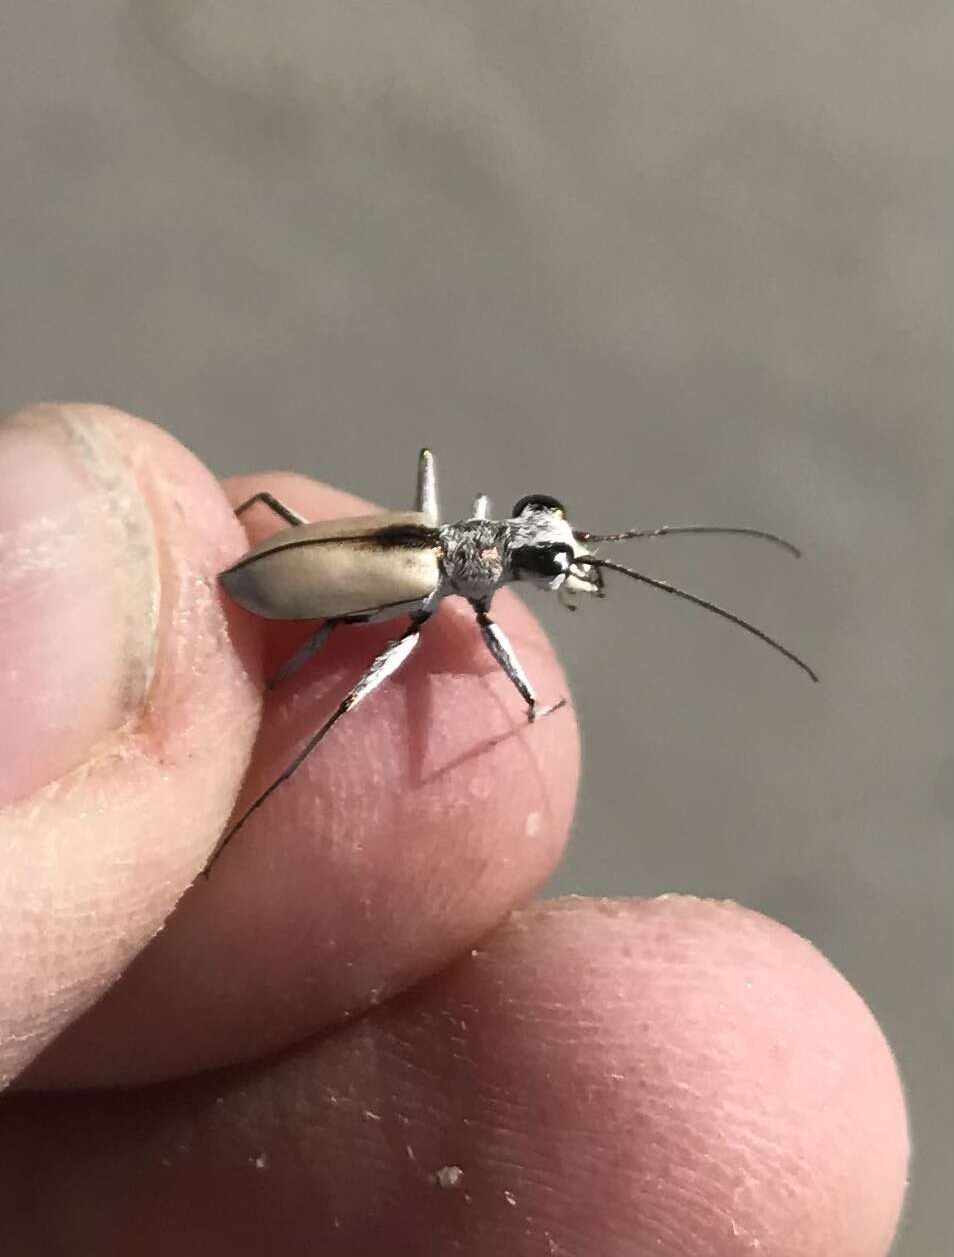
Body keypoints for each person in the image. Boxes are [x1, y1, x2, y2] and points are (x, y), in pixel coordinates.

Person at [0, 404, 908, 1254]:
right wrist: (521, 694)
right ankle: (260, 809)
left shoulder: (448, 541)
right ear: (499, 548)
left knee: (284, 535)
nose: (547, 560)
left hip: (373, 554)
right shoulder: (445, 580)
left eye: (542, 555)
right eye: (539, 549)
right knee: (350, 698)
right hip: (343, 575)